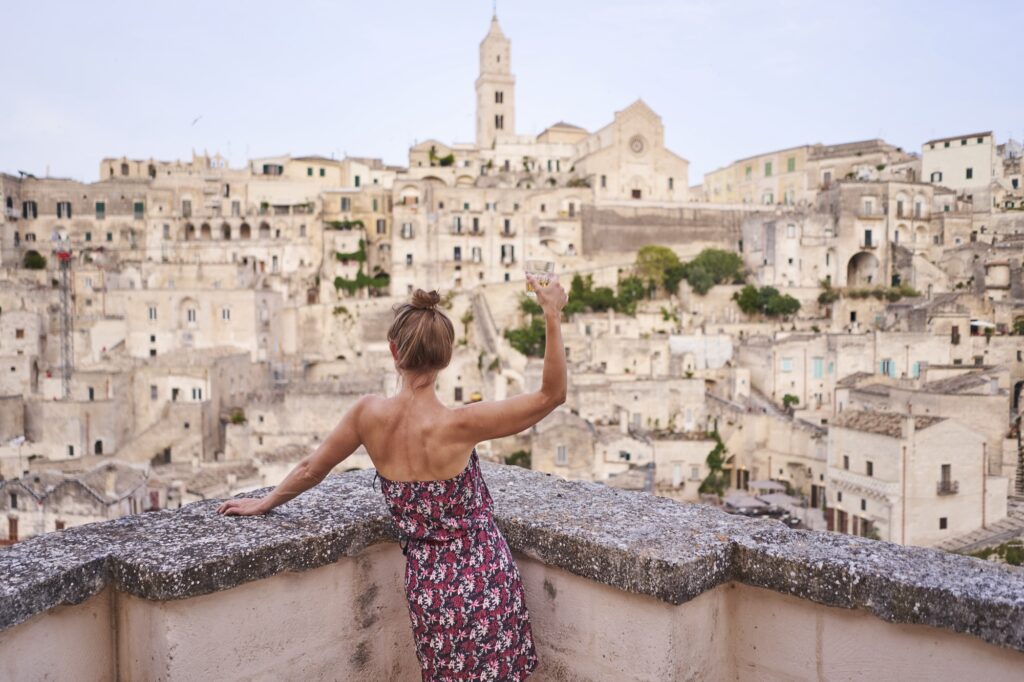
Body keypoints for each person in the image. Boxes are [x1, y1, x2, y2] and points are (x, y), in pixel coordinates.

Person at [218, 274, 568, 681]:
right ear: (447, 357)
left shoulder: (368, 416)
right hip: (484, 576)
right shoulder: (461, 424)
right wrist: (552, 314)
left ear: (393, 351)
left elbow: (311, 468)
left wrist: (264, 503)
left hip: (427, 585)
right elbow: (551, 395)